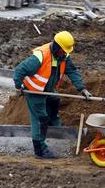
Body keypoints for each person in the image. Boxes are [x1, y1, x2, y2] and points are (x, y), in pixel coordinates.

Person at [13, 31, 91, 159]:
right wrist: (18, 86)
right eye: (63, 50)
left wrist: (82, 88)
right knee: (40, 118)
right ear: (57, 46)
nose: (65, 53)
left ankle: (54, 125)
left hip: (48, 89)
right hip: (34, 91)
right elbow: (20, 70)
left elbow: (72, 71)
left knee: (54, 100)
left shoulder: (64, 56)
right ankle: (40, 150)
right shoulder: (40, 57)